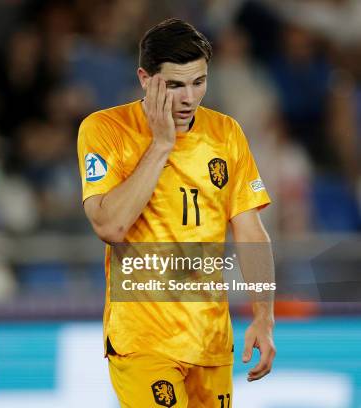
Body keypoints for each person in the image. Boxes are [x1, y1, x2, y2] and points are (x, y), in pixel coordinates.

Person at [77, 19, 275, 407]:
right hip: (143, 339)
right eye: (174, 85)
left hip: (211, 340)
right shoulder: (106, 129)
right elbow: (110, 225)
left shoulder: (226, 134)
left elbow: (251, 232)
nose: (189, 98)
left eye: (198, 82)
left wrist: (264, 317)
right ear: (144, 79)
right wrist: (162, 144)